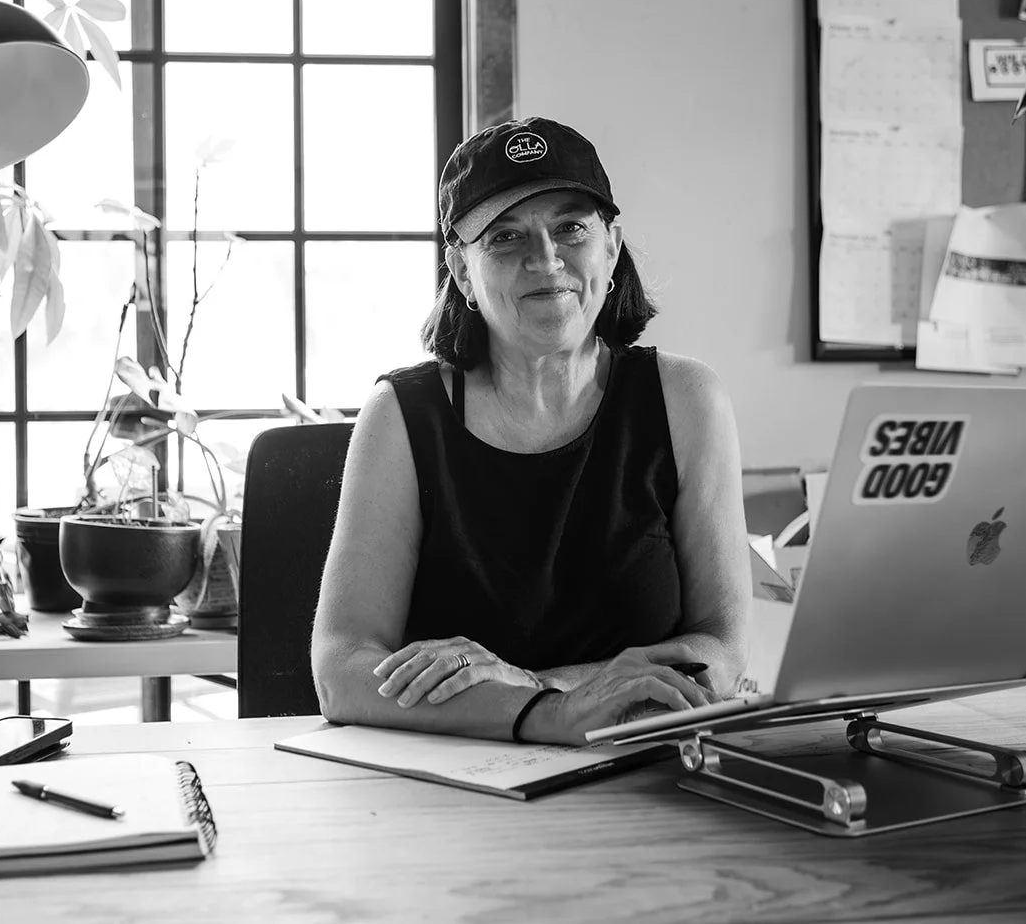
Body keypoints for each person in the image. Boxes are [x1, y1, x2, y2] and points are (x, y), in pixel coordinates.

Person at [310, 117, 751, 746]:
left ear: (611, 245)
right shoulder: (402, 415)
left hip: (644, 766)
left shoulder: (687, 400)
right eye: (505, 237)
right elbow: (341, 671)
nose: (545, 261)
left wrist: (537, 685)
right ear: (462, 273)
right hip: (457, 785)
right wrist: (545, 712)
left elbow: (725, 650)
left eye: (571, 228)